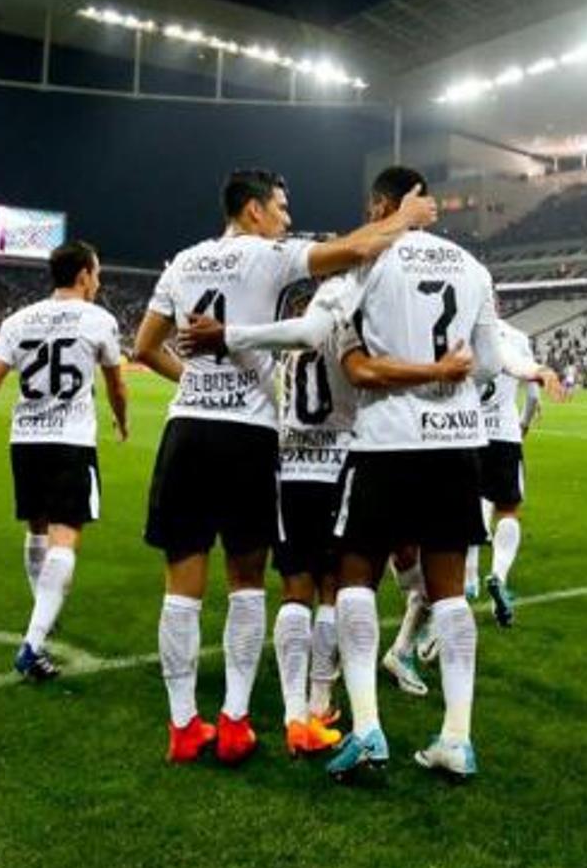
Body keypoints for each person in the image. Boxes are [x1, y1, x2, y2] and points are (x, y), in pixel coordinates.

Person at [132, 169, 437, 765]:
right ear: (252, 211)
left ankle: (183, 726)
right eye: (280, 207)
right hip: (246, 437)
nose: (286, 219)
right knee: (247, 584)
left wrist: (195, 378)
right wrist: (404, 215)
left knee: (181, 589)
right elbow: (355, 248)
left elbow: (144, 347)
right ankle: (238, 721)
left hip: (187, 430)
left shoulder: (183, 262)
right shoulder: (271, 258)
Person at [181, 272, 480, 757]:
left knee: (293, 591)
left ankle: (293, 715)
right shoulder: (347, 331)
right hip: (341, 466)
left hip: (293, 468)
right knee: (334, 591)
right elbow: (366, 378)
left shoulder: (292, 344)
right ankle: (320, 703)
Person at [322, 166, 551, 783]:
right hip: (456, 446)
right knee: (449, 591)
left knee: (354, 578)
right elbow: (482, 368)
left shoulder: (367, 263)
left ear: (380, 203)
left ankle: (367, 729)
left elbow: (354, 365)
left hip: (385, 443)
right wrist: (443, 378)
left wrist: (408, 375)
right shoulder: (473, 269)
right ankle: (457, 737)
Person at [0, 241, 129, 680]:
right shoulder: (99, 320)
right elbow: (117, 385)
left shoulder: (17, 320)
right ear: (83, 275)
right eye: (96, 273)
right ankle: (33, 643)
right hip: (71, 443)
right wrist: (121, 421)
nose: (98, 281)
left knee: (37, 529)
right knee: (65, 539)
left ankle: (43, 606)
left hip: (25, 442)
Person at [468, 319, 555, 627]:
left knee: (471, 503)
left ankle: (469, 578)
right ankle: (499, 575)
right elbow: (531, 395)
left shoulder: (463, 329)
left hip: (468, 432)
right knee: (508, 509)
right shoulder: (517, 337)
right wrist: (526, 424)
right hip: (505, 434)